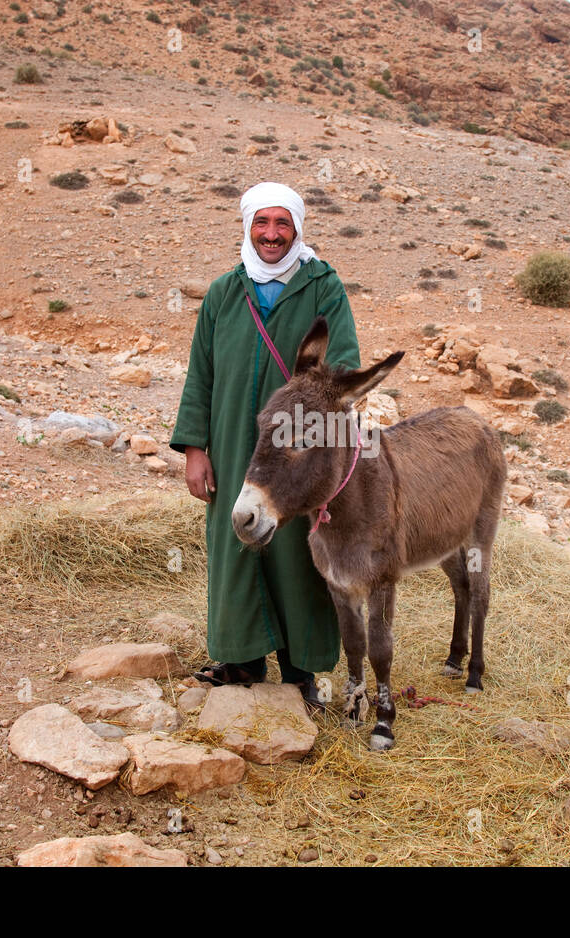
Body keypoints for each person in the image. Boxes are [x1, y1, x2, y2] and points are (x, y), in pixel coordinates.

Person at [168, 181, 361, 710]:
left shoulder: (323, 286)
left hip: (297, 452)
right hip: (233, 445)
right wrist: (194, 449)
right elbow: (200, 374)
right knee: (235, 544)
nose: (271, 235)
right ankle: (240, 660)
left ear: (297, 230)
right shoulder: (225, 293)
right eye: (262, 223)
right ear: (247, 227)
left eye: (282, 225)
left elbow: (341, 362)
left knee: (298, 556)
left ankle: (304, 672)